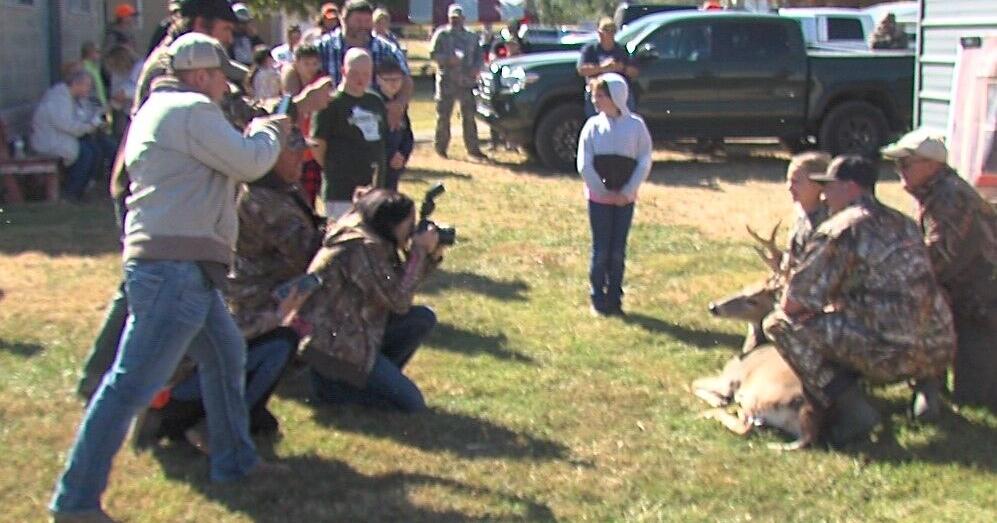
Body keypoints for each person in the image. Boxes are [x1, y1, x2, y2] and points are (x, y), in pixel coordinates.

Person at [50, 33, 289, 523]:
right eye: (222, 76)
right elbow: (250, 161)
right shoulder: (190, 110)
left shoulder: (158, 110)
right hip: (177, 271)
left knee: (225, 356)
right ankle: (74, 501)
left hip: (177, 268)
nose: (226, 87)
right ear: (200, 75)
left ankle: (234, 461)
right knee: (129, 386)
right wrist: (270, 130)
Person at [134, 129, 322, 453]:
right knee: (279, 343)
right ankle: (211, 426)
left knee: (274, 344)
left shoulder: (279, 191)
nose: (302, 160)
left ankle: (237, 414)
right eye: (294, 153)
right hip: (188, 378)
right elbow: (306, 252)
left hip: (247, 315)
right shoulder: (260, 201)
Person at [763, 155, 956, 446]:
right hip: (938, 346)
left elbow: (794, 303)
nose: (824, 194)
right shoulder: (903, 222)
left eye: (830, 186)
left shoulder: (841, 229)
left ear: (851, 187)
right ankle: (927, 390)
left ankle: (854, 410)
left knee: (779, 324)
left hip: (890, 351)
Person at [882, 130, 997, 412]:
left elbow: (937, 257)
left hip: (979, 302)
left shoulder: (949, 197)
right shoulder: (934, 192)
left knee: (975, 395)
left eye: (906, 164)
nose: (900, 171)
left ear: (932, 166)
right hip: (966, 296)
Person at [300, 188, 444, 412]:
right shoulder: (361, 248)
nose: (413, 230)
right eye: (410, 223)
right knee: (412, 405)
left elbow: (397, 286)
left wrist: (429, 257)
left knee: (422, 318)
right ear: (391, 223)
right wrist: (417, 252)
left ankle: (371, 380)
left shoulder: (371, 236)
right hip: (336, 350)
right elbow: (398, 300)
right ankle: (336, 392)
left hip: (357, 335)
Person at [577, 74, 653, 316]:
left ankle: (615, 298)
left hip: (624, 201)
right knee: (601, 250)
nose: (596, 100)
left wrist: (627, 191)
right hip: (599, 200)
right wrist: (600, 188)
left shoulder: (636, 127)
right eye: (594, 96)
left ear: (616, 97)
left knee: (617, 250)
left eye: (601, 96)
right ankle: (597, 296)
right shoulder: (592, 127)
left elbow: (644, 159)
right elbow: (584, 162)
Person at [311, 48, 387, 221]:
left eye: (366, 74)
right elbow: (318, 145)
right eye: (354, 73)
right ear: (343, 71)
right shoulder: (331, 104)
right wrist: (335, 166)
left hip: (373, 188)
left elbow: (381, 139)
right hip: (341, 190)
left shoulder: (375, 101)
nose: (361, 79)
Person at [317, 0, 412, 133]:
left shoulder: (387, 49)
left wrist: (399, 104)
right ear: (343, 20)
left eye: (367, 21)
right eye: (358, 21)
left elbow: (406, 79)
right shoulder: (323, 47)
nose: (363, 26)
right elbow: (293, 68)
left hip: (376, 122)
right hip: (334, 121)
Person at [29, 67, 109, 202]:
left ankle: (87, 187)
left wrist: (96, 119)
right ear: (76, 84)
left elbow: (81, 118)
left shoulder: (74, 98)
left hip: (62, 137)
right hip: (49, 141)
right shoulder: (58, 99)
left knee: (96, 148)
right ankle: (72, 192)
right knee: (86, 153)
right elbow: (67, 125)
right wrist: (91, 126)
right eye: (87, 85)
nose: (89, 89)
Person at [429, 4, 485, 159]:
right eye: (452, 18)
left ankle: (473, 149)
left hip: (466, 82)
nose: (455, 21)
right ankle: (441, 148)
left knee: (469, 116)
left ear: (463, 19)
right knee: (443, 116)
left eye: (458, 18)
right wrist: (447, 60)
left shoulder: (472, 37)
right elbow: (432, 54)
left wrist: (476, 68)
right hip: (447, 81)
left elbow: (480, 57)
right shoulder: (441, 34)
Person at [281, 43, 325, 206]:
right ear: (296, 63)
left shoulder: (321, 84)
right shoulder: (289, 84)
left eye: (314, 63)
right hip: (294, 151)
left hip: (314, 151)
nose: (311, 68)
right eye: (306, 64)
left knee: (310, 200)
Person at [577, 18, 638, 117]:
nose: (604, 35)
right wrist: (604, 67)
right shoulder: (591, 49)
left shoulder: (621, 50)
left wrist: (621, 68)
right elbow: (582, 70)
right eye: (602, 32)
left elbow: (634, 71)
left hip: (618, 92)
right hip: (597, 91)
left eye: (609, 32)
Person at [782, 151, 831, 274]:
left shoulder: (827, 222)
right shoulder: (801, 215)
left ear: (818, 184)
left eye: (796, 181)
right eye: (788, 180)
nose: (789, 186)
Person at [376, 58, 414, 191]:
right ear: (378, 80)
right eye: (388, 80)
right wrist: (390, 154)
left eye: (397, 80)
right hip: (379, 165)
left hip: (395, 165)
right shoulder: (375, 104)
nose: (393, 84)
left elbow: (407, 135)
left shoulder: (399, 104)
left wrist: (403, 154)